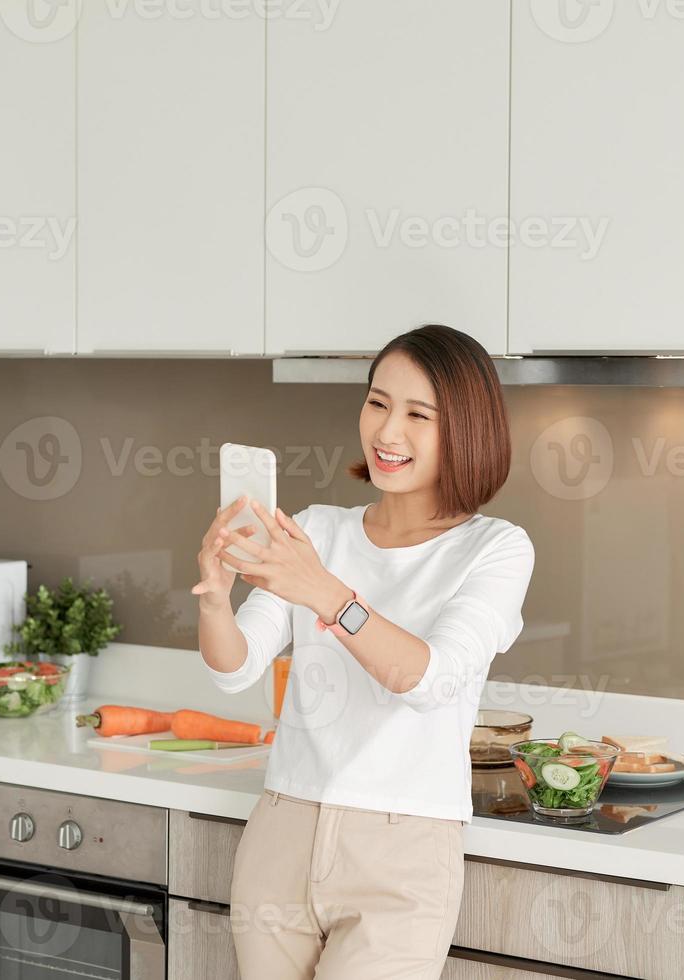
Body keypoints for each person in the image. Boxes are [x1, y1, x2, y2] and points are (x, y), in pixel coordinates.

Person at [192, 324, 537, 978]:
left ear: (465, 430)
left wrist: (324, 592)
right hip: (281, 831)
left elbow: (427, 679)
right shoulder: (319, 528)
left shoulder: (494, 548)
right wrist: (214, 597)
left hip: (403, 846)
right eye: (377, 402)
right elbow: (235, 668)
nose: (386, 431)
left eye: (417, 414)